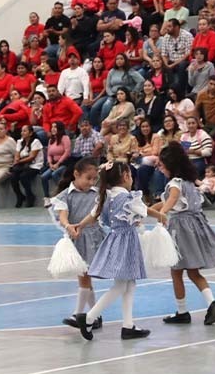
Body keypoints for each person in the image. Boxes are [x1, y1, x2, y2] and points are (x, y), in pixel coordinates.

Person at [74, 162, 165, 341]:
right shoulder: (129, 197)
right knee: (122, 285)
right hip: (126, 241)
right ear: (125, 176)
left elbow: (94, 215)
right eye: (130, 175)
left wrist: (80, 225)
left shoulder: (107, 196)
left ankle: (128, 325)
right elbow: (143, 211)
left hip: (116, 240)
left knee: (129, 283)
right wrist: (161, 215)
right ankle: (90, 317)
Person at [153, 142, 215, 325]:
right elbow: (163, 203)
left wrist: (162, 213)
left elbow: (170, 200)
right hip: (194, 227)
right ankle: (211, 302)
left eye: (162, 165)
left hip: (181, 230)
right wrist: (145, 211)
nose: (160, 168)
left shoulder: (175, 184)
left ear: (170, 165)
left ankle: (182, 311)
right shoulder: (189, 182)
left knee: (176, 271)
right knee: (193, 272)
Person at [54, 158, 105, 330]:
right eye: (88, 178)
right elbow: (63, 215)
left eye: (94, 179)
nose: (91, 182)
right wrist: (68, 226)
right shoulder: (64, 196)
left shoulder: (96, 194)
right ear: (76, 174)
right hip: (77, 237)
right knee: (84, 277)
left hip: (94, 237)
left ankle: (79, 314)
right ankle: (94, 315)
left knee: (85, 276)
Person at [10, 125, 43, 208]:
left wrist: (18, 161)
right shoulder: (20, 142)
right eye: (22, 131)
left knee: (23, 176)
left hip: (35, 165)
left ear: (31, 133)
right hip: (23, 165)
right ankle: (19, 196)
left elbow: (32, 157)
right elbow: (17, 154)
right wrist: (17, 160)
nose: (22, 133)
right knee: (13, 176)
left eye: (25, 131)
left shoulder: (36, 142)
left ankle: (30, 196)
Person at [41, 122, 73, 207]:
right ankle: (46, 198)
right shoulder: (51, 140)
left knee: (55, 174)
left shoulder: (65, 138)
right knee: (44, 177)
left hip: (64, 163)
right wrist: (50, 163)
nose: (53, 129)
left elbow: (67, 152)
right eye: (52, 127)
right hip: (54, 164)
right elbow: (49, 154)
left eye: (55, 127)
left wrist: (58, 163)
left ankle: (62, 193)